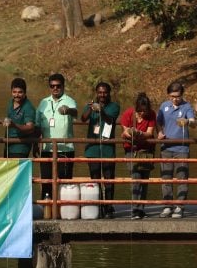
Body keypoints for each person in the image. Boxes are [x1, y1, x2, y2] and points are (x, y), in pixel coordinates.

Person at [80, 81, 120, 218]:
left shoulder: (114, 106)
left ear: (109, 93)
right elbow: (83, 119)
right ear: (96, 93)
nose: (102, 95)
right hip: (93, 149)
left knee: (109, 179)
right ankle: (98, 207)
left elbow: (110, 121)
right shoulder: (91, 105)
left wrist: (101, 110)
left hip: (108, 148)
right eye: (100, 92)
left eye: (105, 92)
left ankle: (108, 207)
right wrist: (91, 108)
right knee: (95, 179)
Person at [156, 81, 195, 218]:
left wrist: (188, 121)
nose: (175, 99)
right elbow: (158, 122)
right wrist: (160, 132)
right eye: (172, 96)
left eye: (177, 96)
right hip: (166, 147)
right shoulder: (164, 106)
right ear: (168, 95)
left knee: (182, 178)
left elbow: (192, 120)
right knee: (166, 177)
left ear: (182, 95)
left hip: (181, 148)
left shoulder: (186, 106)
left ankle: (179, 206)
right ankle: (167, 205)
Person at [35, 73, 77, 202]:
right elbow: (37, 125)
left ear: (63, 86)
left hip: (65, 149)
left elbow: (76, 113)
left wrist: (68, 110)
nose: (55, 88)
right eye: (52, 86)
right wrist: (35, 144)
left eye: (58, 86)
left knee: (64, 184)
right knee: (46, 182)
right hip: (47, 149)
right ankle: (47, 211)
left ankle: (64, 211)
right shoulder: (43, 103)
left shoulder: (69, 100)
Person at [120, 92, 157, 219]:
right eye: (140, 111)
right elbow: (124, 132)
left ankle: (141, 209)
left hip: (146, 151)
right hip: (132, 150)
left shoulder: (151, 114)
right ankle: (135, 209)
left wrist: (139, 133)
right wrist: (130, 132)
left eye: (144, 111)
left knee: (144, 180)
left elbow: (150, 133)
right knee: (135, 179)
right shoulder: (128, 114)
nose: (142, 113)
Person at [2, 78, 36, 159]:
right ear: (11, 92)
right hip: (8, 145)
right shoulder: (11, 102)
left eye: (20, 92)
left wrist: (14, 125)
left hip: (20, 148)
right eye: (14, 92)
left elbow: (30, 127)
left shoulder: (28, 107)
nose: (16, 95)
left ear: (25, 93)